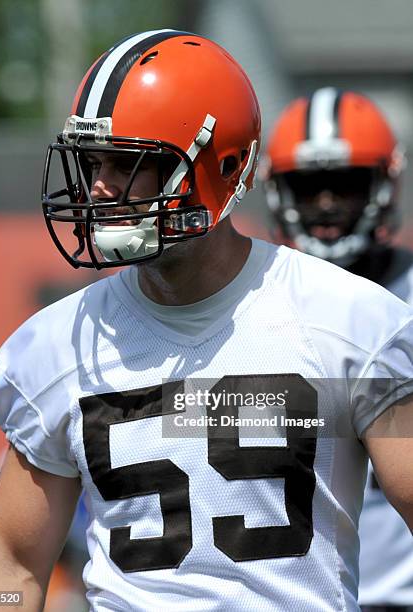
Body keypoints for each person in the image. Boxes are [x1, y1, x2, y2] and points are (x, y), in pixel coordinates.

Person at [0, 33, 413, 612]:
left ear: (220, 167)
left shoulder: (351, 323)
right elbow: (9, 566)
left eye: (129, 163)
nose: (100, 187)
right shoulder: (55, 346)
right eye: (94, 161)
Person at [260, 86, 413, 612]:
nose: (325, 203)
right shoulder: (243, 309)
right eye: (309, 186)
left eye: (343, 184)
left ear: (381, 184)